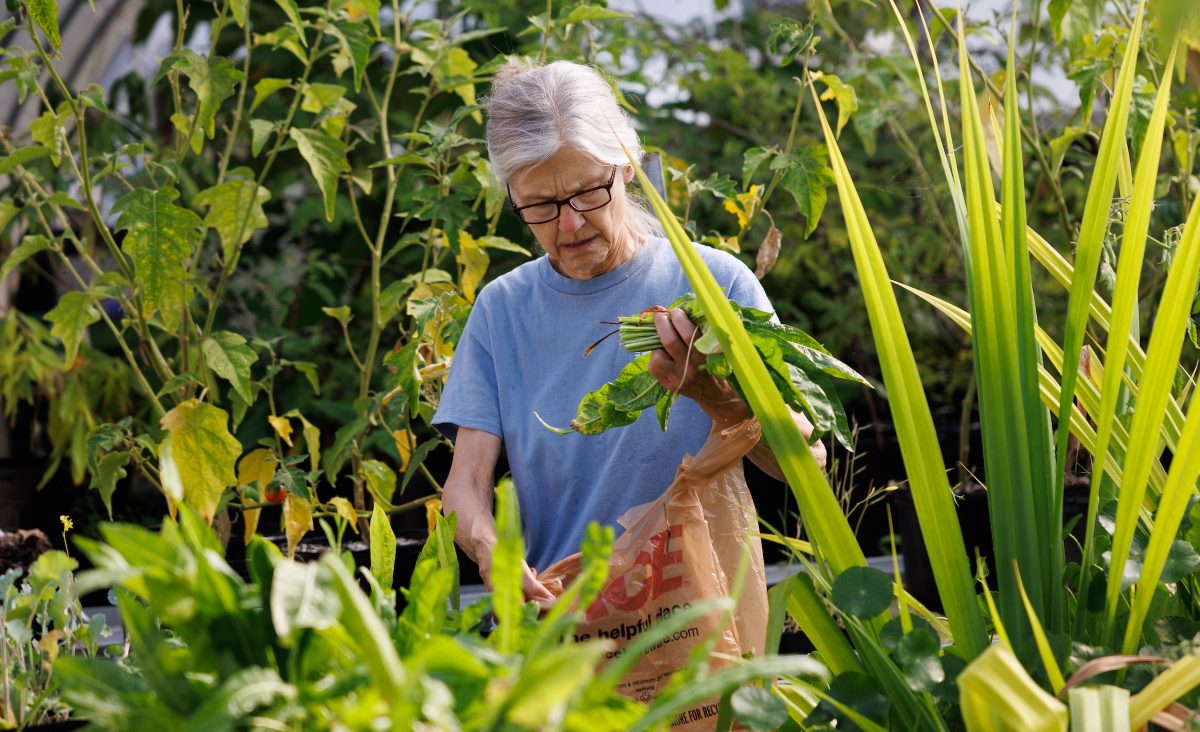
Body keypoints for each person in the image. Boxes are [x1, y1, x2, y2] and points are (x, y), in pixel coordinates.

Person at [434, 58, 826, 606]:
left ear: (627, 168)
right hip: (563, 625)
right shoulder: (503, 311)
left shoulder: (713, 285)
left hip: (700, 624)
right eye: (541, 206)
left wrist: (719, 400)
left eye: (587, 192)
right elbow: (465, 487)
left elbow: (806, 465)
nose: (569, 224)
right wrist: (486, 545)